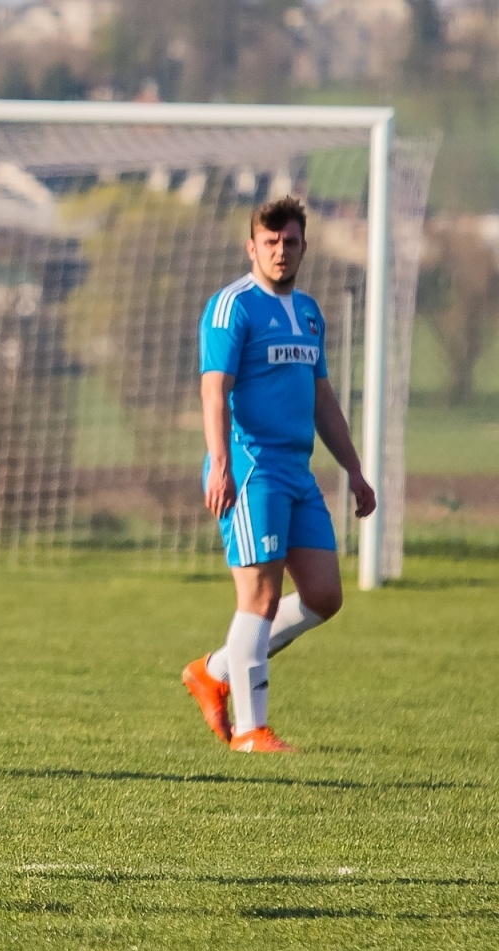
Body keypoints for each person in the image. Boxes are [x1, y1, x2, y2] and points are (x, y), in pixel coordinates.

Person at [181, 196, 376, 753]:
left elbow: (321, 397)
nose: (280, 251)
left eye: (290, 242)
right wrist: (220, 464)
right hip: (251, 469)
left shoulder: (310, 312)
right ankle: (250, 730)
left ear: (303, 247)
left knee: (323, 595)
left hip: (297, 471)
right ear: (252, 247)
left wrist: (355, 470)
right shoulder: (232, 307)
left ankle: (214, 669)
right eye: (270, 243)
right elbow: (213, 389)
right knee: (260, 599)